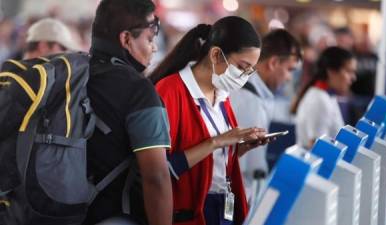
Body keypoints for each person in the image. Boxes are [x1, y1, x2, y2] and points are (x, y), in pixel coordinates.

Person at [150, 16, 271, 225]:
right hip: (190, 210)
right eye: (242, 67)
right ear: (216, 54)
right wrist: (217, 142)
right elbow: (161, 169)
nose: (244, 76)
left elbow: (212, 162)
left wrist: (238, 148)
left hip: (221, 205)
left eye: (249, 71)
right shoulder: (170, 91)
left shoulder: (222, 93)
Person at [84, 0, 172, 224]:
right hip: (114, 217)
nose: (154, 47)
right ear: (125, 39)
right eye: (150, 39)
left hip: (61, 213)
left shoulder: (75, 74)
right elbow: (156, 177)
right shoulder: (139, 91)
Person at [229, 29, 302, 195]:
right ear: (273, 63)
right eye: (290, 69)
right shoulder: (249, 100)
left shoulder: (254, 94)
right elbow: (241, 169)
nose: (290, 78)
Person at [291, 46, 357, 149]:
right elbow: (317, 148)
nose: (353, 78)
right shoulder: (319, 100)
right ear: (331, 72)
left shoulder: (328, 96)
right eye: (348, 71)